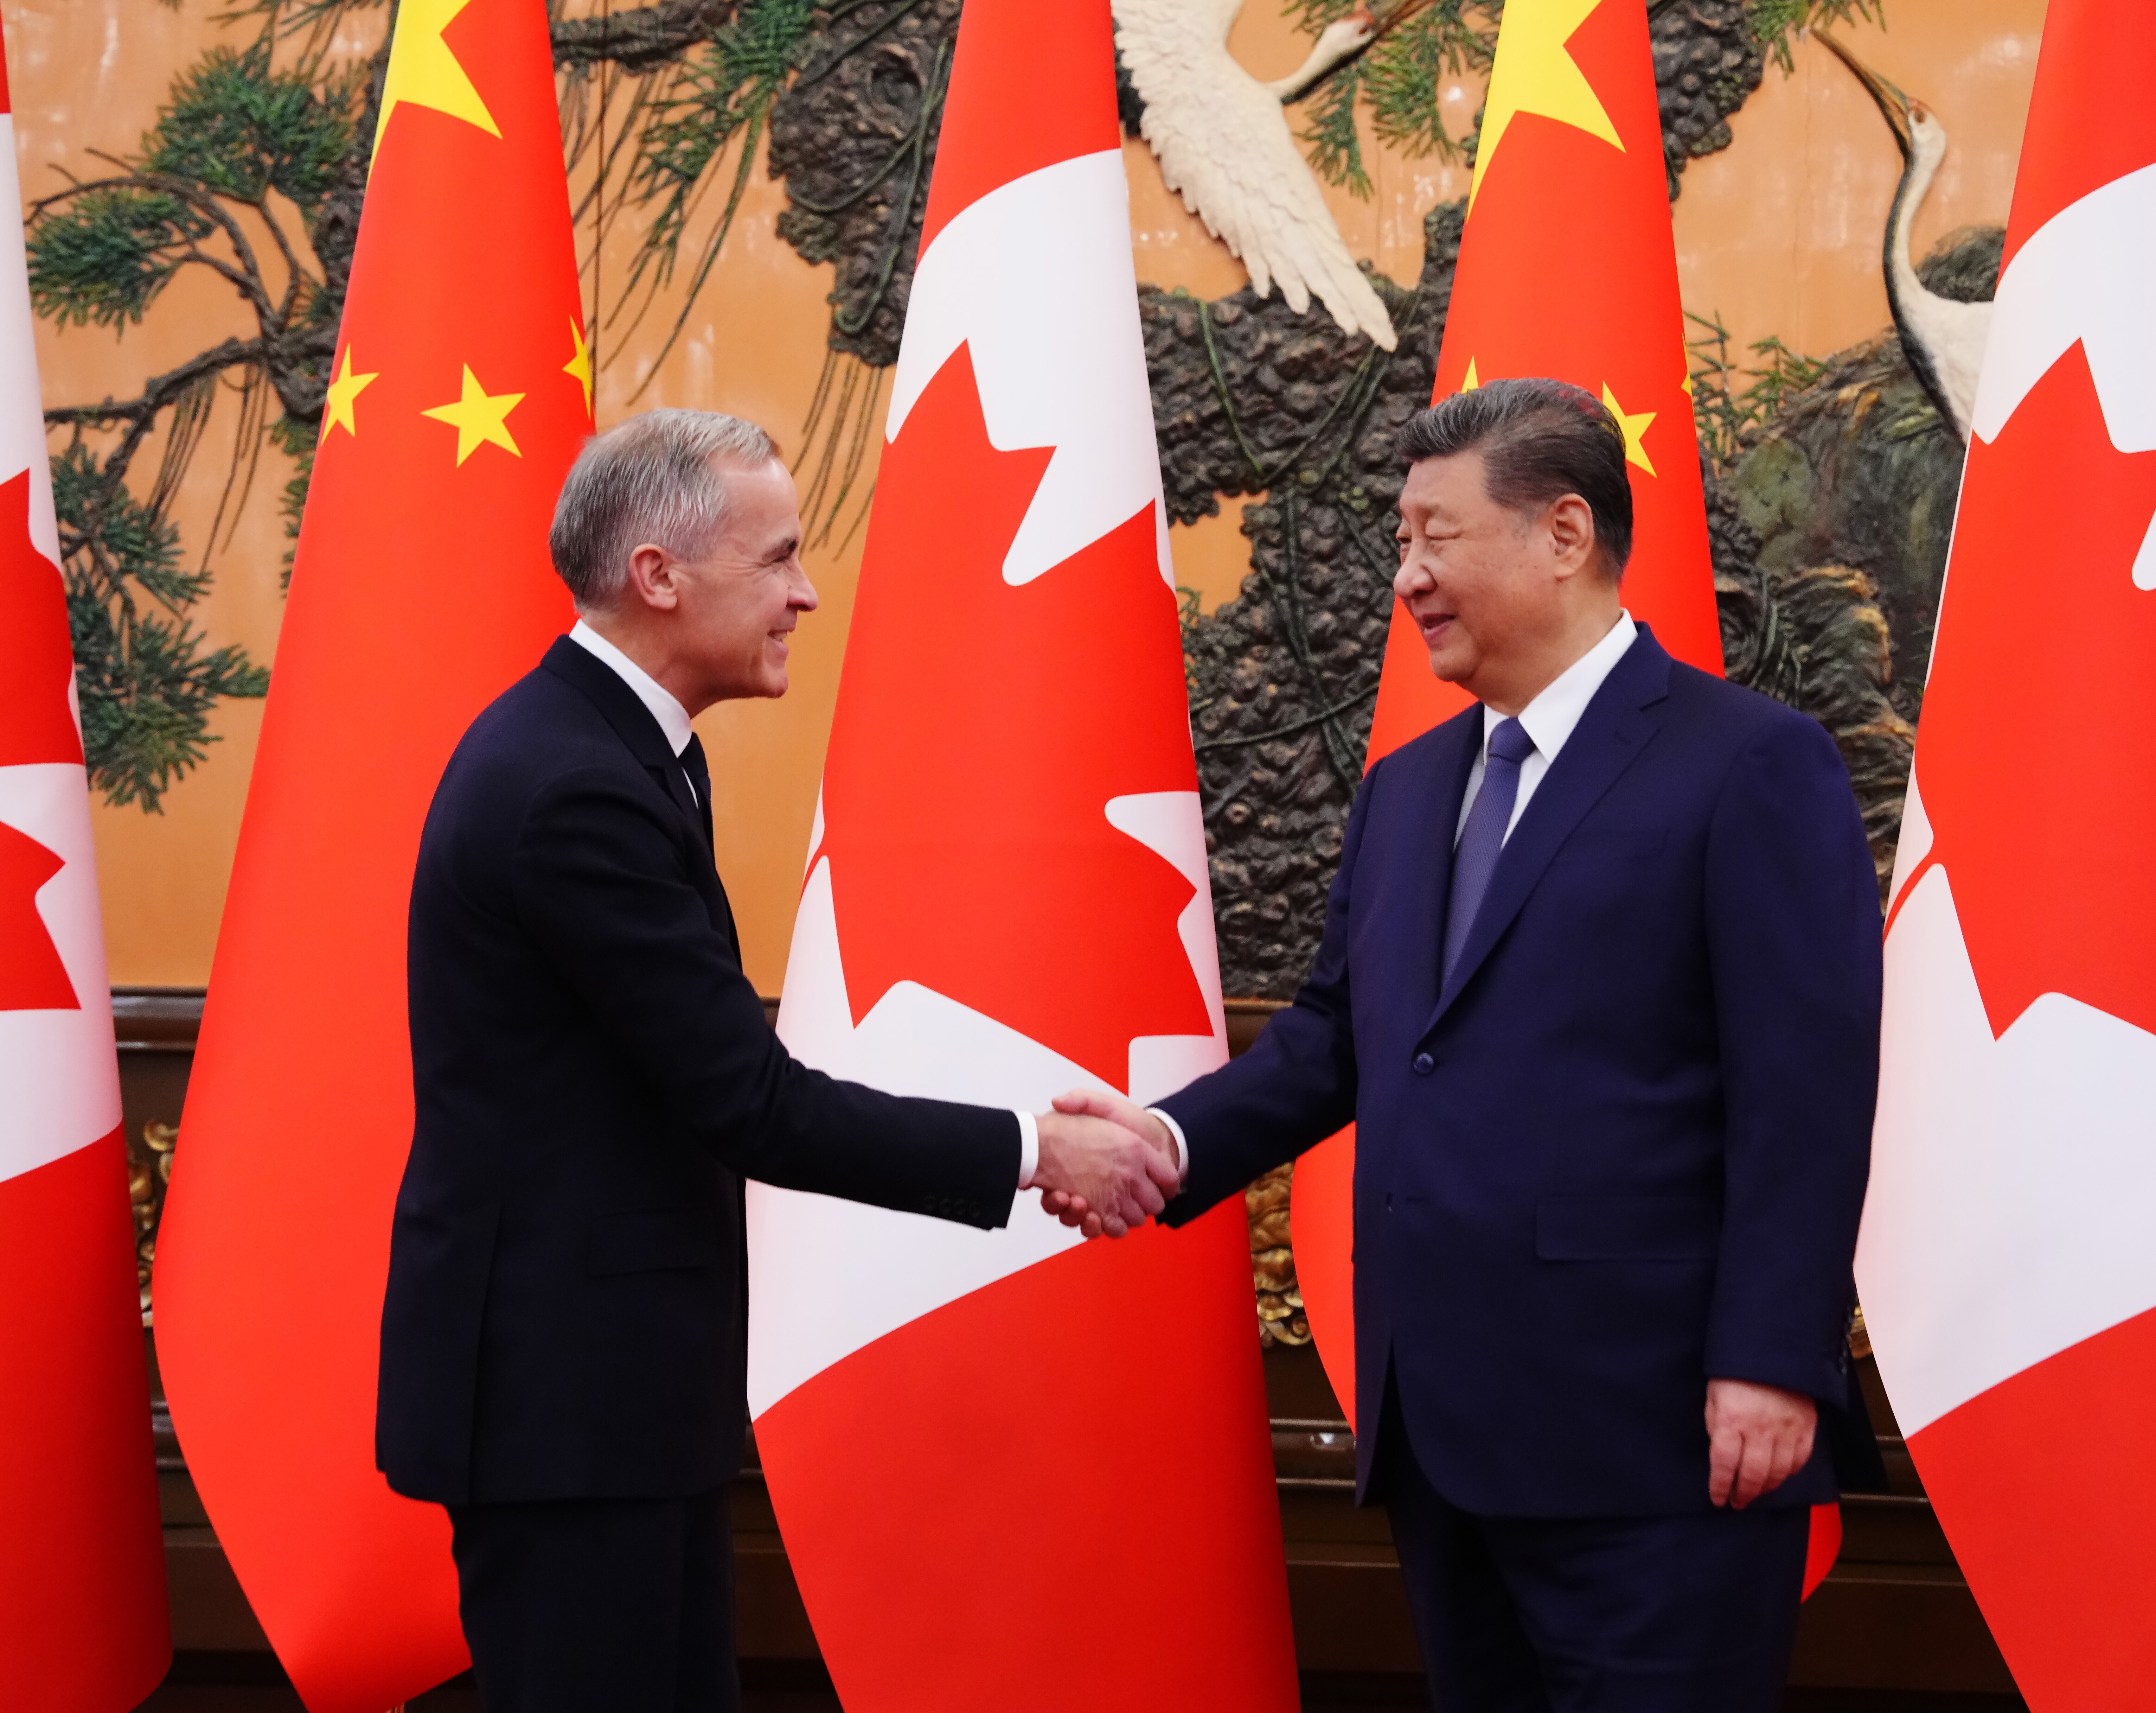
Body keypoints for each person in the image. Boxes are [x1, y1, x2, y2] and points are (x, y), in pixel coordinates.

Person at [1055, 379, 1881, 1711]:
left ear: (1565, 534)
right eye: (1400, 541)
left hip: (1659, 1440)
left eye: (1435, 536)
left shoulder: (1749, 765)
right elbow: (1339, 1033)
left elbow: (1807, 1089)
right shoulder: (1408, 787)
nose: (1407, 577)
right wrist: (1164, 1139)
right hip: (1442, 1437)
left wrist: (1775, 1358)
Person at [376, 409, 1175, 1713]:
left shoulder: (610, 749)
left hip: (614, 1396)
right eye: (779, 557)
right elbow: (751, 1104)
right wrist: (1038, 1150)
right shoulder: (574, 785)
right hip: (568, 1411)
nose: (806, 593)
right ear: (658, 575)